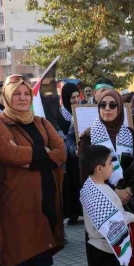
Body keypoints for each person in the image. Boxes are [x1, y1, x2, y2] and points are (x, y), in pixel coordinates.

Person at [0, 75, 76, 266]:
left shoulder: (41, 122)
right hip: (16, 205)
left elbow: (61, 152)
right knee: (16, 261)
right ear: (5, 97)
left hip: (46, 198)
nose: (22, 98)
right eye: (16, 93)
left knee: (43, 257)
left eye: (26, 94)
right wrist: (45, 157)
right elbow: (7, 153)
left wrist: (30, 159)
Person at [78, 89, 134, 266]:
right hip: (102, 203)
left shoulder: (129, 133)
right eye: (103, 105)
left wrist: (128, 191)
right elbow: (85, 175)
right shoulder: (89, 136)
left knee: (129, 250)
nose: (107, 109)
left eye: (113, 105)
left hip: (128, 201)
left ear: (120, 108)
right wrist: (114, 192)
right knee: (106, 252)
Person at [59, 83, 82, 225]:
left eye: (76, 96)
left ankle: (82, 211)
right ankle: (73, 214)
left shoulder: (81, 110)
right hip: (68, 155)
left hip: (80, 153)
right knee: (71, 184)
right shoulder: (60, 114)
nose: (75, 99)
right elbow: (61, 134)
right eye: (72, 97)